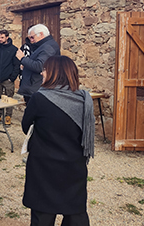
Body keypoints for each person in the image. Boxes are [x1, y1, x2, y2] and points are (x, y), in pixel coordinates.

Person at [22, 55, 94, 226]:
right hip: (73, 166)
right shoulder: (84, 99)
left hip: (43, 166)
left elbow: (26, 126)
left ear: (55, 73)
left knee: (43, 215)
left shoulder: (39, 98)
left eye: (45, 69)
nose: (42, 72)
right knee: (75, 213)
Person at [16, 24, 60, 103]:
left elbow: (40, 66)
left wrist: (22, 58)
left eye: (32, 37)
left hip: (37, 88)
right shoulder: (44, 46)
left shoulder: (48, 47)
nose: (31, 40)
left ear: (41, 34)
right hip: (35, 87)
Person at [0, 30, 20, 125]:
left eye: (2, 37)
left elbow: (16, 65)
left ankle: (8, 116)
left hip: (8, 80)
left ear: (7, 37)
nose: (0, 39)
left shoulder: (14, 49)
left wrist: (12, 78)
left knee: (9, 98)